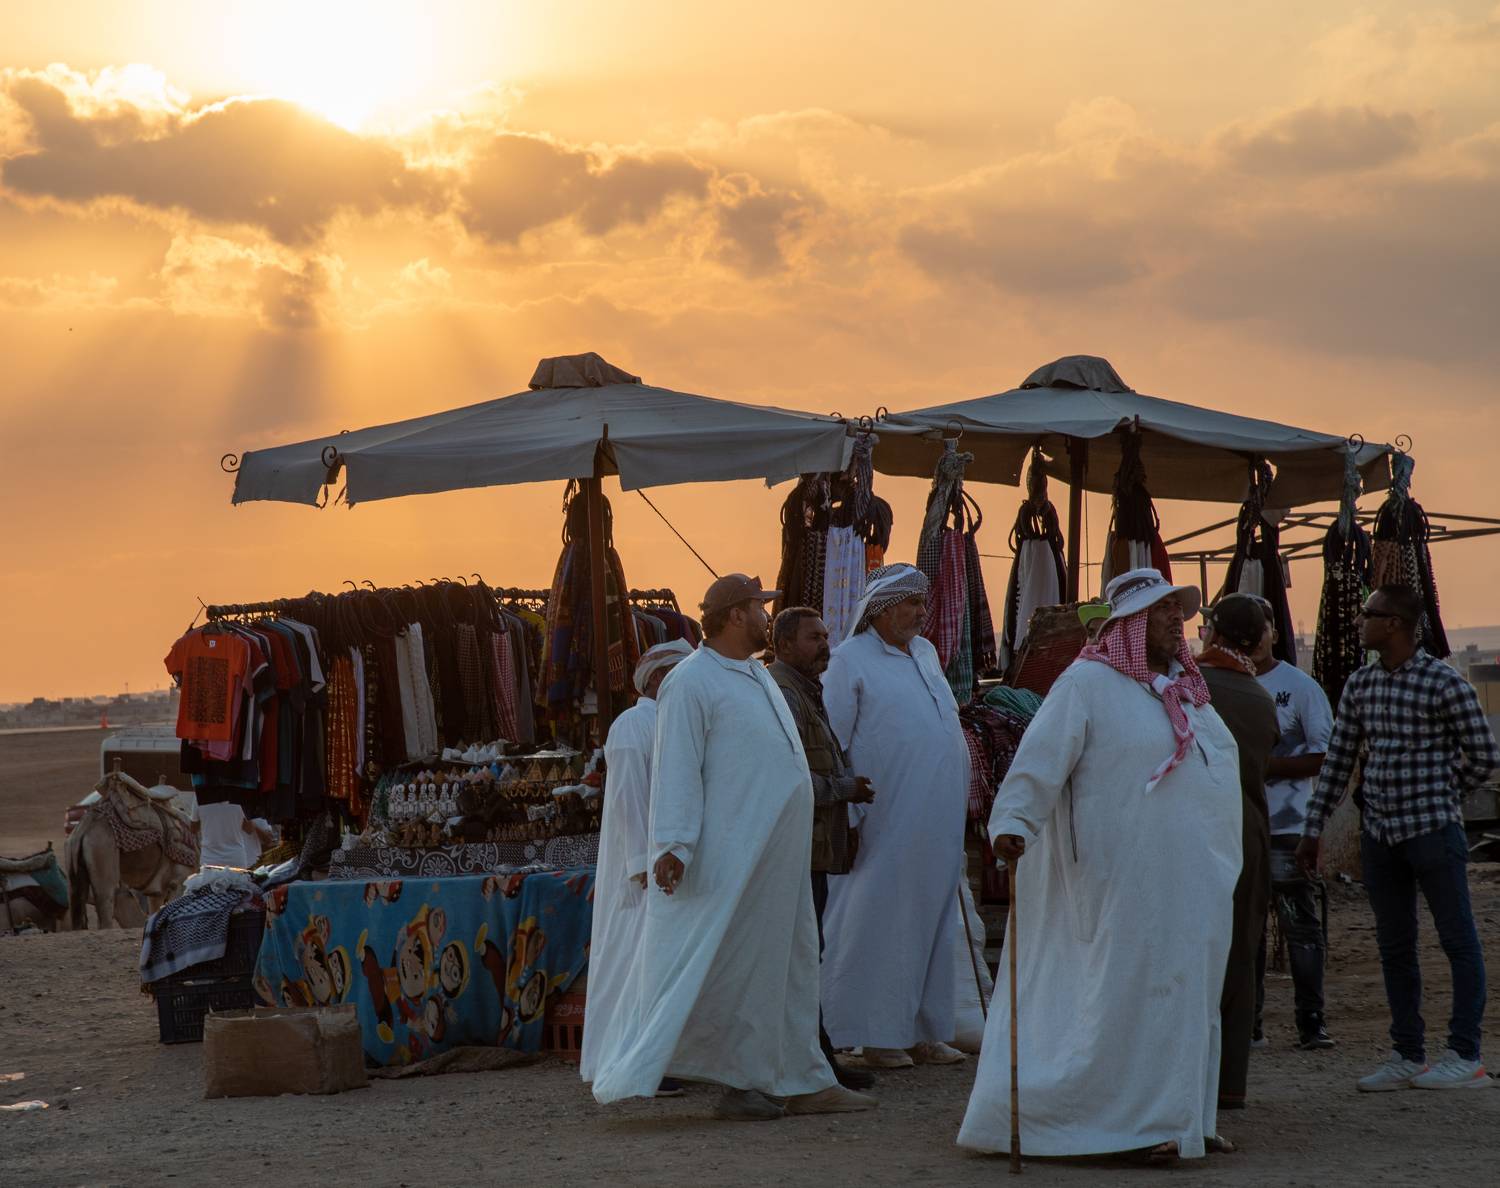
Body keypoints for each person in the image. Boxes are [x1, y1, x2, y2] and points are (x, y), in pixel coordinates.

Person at [958, 568, 1243, 1162]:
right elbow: (1038, 760)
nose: (1176, 619)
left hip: (1190, 881)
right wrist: (1014, 823)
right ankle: (1117, 1128)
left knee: (1186, 993)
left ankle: (1184, 1118)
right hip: (1120, 879)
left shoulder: (1187, 692)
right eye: (1162, 610)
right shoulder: (1086, 683)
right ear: (1129, 624)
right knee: (1127, 994)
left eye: (1178, 608)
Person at [589, 574, 876, 1120]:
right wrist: (673, 844)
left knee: (789, 969)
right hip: (731, 858)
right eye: (759, 608)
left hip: (778, 857)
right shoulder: (691, 681)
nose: (767, 617)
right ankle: (739, 1086)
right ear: (736, 615)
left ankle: (803, 1078)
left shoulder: (756, 674)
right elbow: (677, 767)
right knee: (735, 971)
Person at [1298, 584, 1499, 1092]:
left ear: (1394, 624)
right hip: (1381, 835)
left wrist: (1441, 790)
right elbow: (1339, 761)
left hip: (1433, 831)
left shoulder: (1443, 683)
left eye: (1368, 613)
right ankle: (1408, 1054)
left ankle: (1465, 1055)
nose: (1359, 621)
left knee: (1457, 939)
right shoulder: (1361, 684)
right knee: (1395, 946)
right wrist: (1313, 828)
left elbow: (1484, 756)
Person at [819, 563, 971, 1069]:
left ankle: (923, 1031)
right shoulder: (849, 661)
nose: (921, 613)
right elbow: (833, 745)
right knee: (878, 922)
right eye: (911, 603)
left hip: (936, 820)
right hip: (882, 820)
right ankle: (875, 1036)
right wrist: (848, 818)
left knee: (932, 921)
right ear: (882, 610)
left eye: (923, 603)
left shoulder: (924, 653)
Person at [768, 606, 879, 1092]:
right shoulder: (783, 693)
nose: (824, 645)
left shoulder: (805, 690)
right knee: (800, 954)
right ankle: (812, 1061)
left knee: (807, 951)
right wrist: (844, 790)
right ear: (783, 644)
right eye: (813, 638)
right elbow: (785, 778)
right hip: (796, 847)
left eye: (825, 636)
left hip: (813, 845)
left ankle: (817, 1055)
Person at [580, 639, 694, 1094]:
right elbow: (629, 798)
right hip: (643, 870)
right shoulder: (633, 724)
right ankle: (628, 1060)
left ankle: (660, 1058)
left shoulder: (674, 721)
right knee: (634, 963)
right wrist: (641, 863)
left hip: (669, 861)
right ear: (658, 678)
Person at [1197, 594, 1279, 1112]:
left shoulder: (1190, 687)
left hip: (1198, 829)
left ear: (1214, 632)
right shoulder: (1260, 698)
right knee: (1240, 950)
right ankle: (1230, 1083)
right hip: (1248, 831)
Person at [1248, 596, 1335, 1051]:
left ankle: (1311, 1023)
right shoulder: (1217, 685)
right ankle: (1249, 1026)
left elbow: (1324, 755)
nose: (1250, 638)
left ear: (1273, 633)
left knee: (1299, 925)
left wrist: (1266, 767)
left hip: (1288, 828)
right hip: (1238, 827)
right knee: (1246, 933)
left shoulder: (1299, 687)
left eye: (1258, 628)